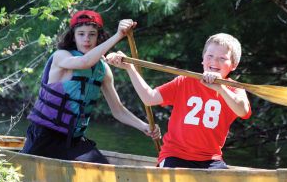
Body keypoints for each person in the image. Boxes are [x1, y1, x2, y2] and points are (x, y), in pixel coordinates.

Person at [21, 10, 160, 164]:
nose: (86, 39)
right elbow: (84, 62)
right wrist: (118, 35)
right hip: (45, 136)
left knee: (103, 169)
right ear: (73, 36)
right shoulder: (61, 56)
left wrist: (144, 127)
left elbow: (118, 110)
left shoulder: (102, 69)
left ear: (98, 36)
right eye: (81, 34)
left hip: (73, 140)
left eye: (92, 34)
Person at [106, 33, 251, 169]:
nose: (214, 61)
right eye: (210, 56)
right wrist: (130, 68)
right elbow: (149, 98)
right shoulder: (185, 81)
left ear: (233, 65)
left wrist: (220, 89)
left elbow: (242, 110)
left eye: (222, 58)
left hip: (210, 159)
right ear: (203, 59)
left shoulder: (234, 89)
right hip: (175, 155)